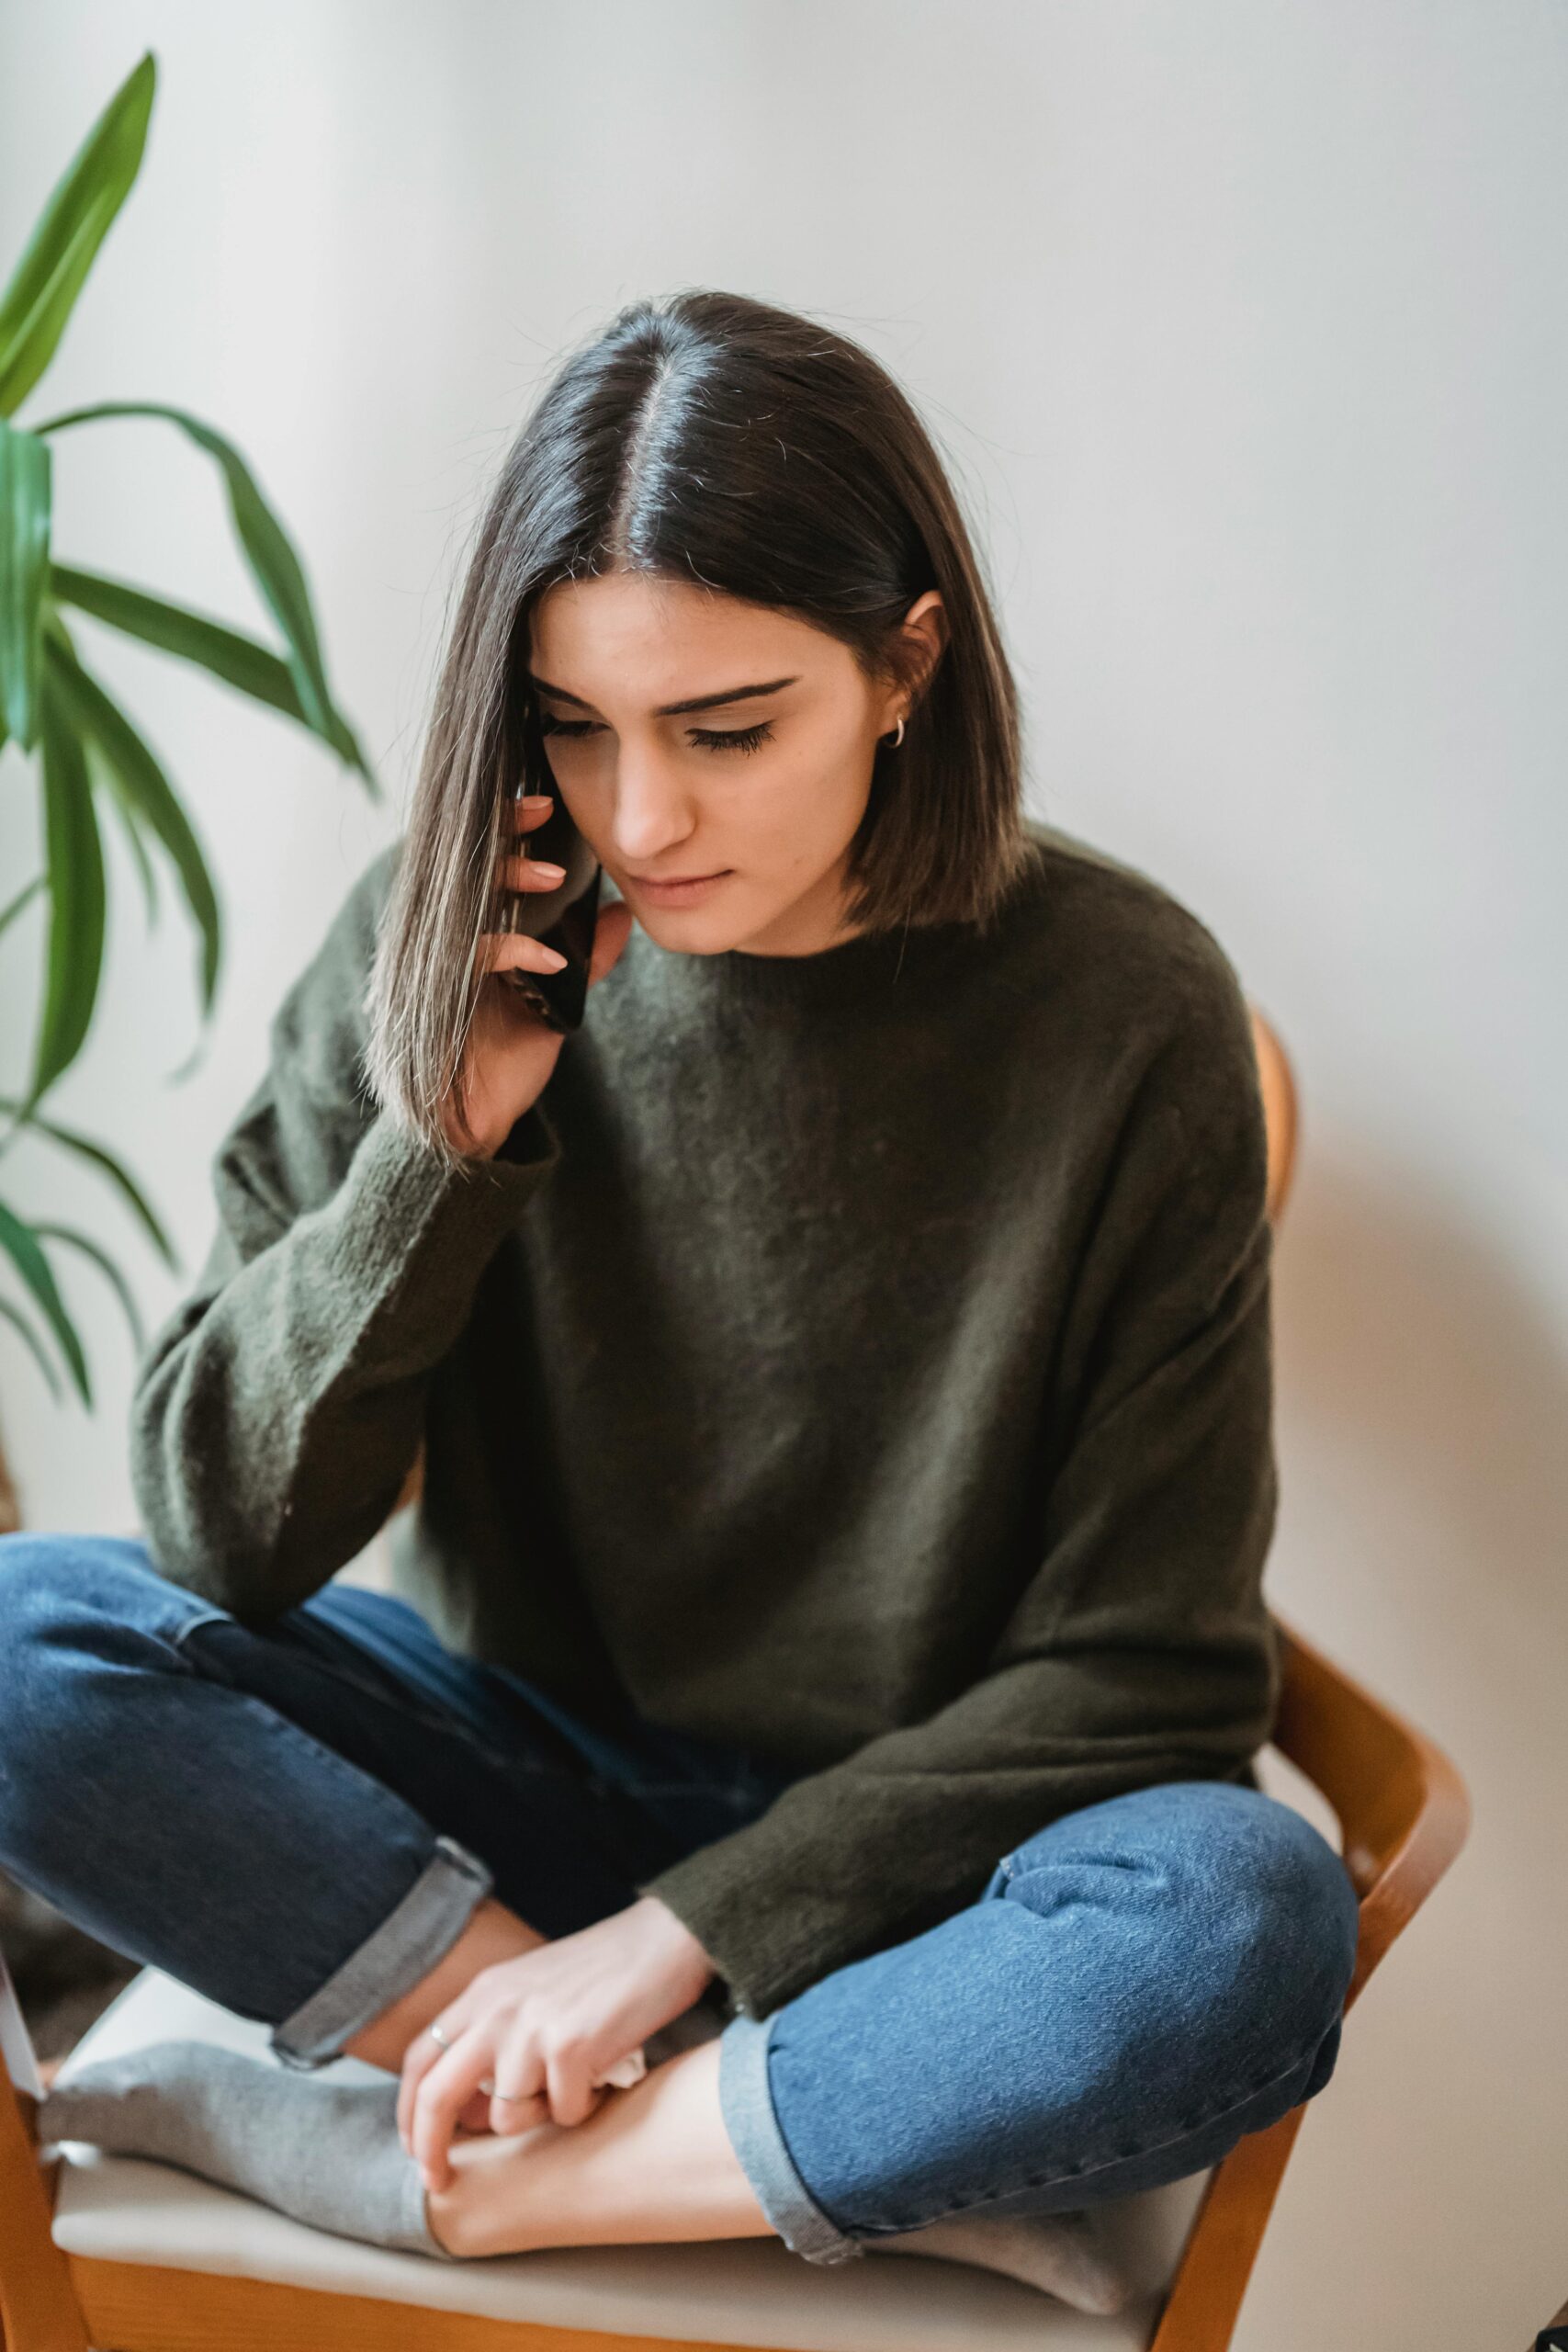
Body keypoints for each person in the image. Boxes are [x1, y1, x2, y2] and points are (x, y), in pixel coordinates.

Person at [1, 288, 1359, 2293]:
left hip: (923, 1877)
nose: (640, 818)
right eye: (572, 723)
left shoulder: (1123, 1006)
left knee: (1241, 1905)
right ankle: (741, 2123)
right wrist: (438, 1153)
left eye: (727, 729)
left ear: (904, 663)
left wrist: (685, 1939)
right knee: (24, 1637)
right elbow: (226, 1535)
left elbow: (1147, 1673)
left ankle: (460, 2163)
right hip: (510, 1790)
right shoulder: (443, 937)